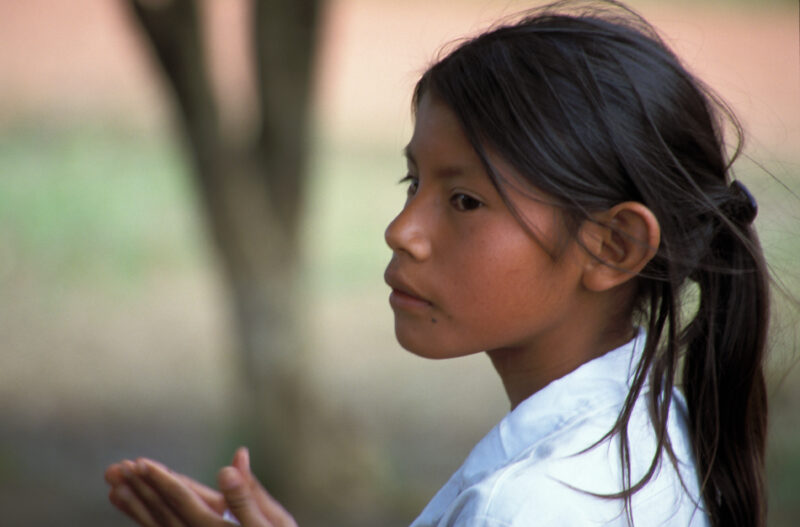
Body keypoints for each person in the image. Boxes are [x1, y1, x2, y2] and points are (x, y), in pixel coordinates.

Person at [104, 1, 770, 525]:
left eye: (464, 200)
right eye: (411, 183)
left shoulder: (533, 507)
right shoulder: (657, 428)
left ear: (613, 245)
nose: (402, 231)